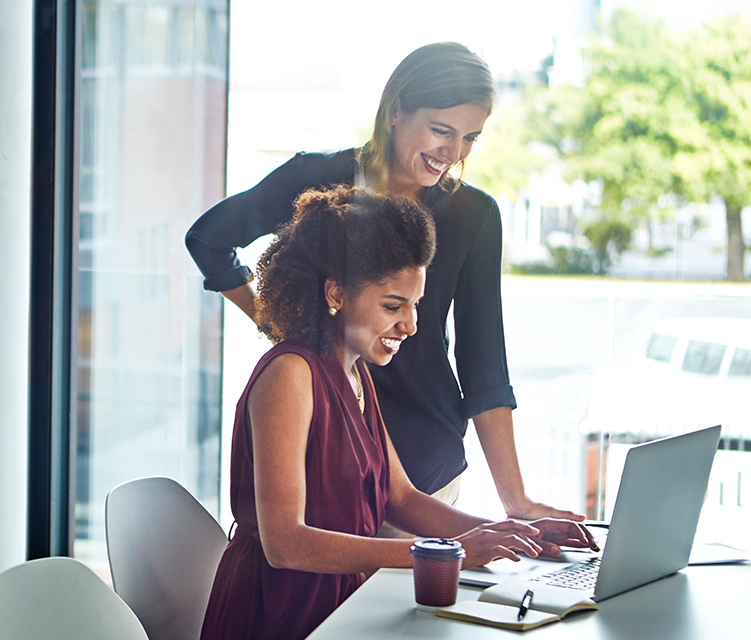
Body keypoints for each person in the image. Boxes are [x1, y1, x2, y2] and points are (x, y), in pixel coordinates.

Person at [185, 41, 579, 522]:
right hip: (324, 445)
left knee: (409, 597)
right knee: (317, 588)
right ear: (396, 111)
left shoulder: (473, 215)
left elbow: (483, 365)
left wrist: (516, 502)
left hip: (423, 458)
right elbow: (209, 240)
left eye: (470, 137)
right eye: (441, 130)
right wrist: (287, 327)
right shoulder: (317, 180)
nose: (452, 153)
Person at [197, 187, 595, 640]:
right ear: (335, 293)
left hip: (341, 602)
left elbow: (400, 497)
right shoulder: (291, 375)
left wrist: (514, 533)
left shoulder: (355, 372)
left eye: (415, 305)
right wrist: (446, 550)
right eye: (393, 306)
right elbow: (286, 544)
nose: (410, 325)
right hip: (281, 613)